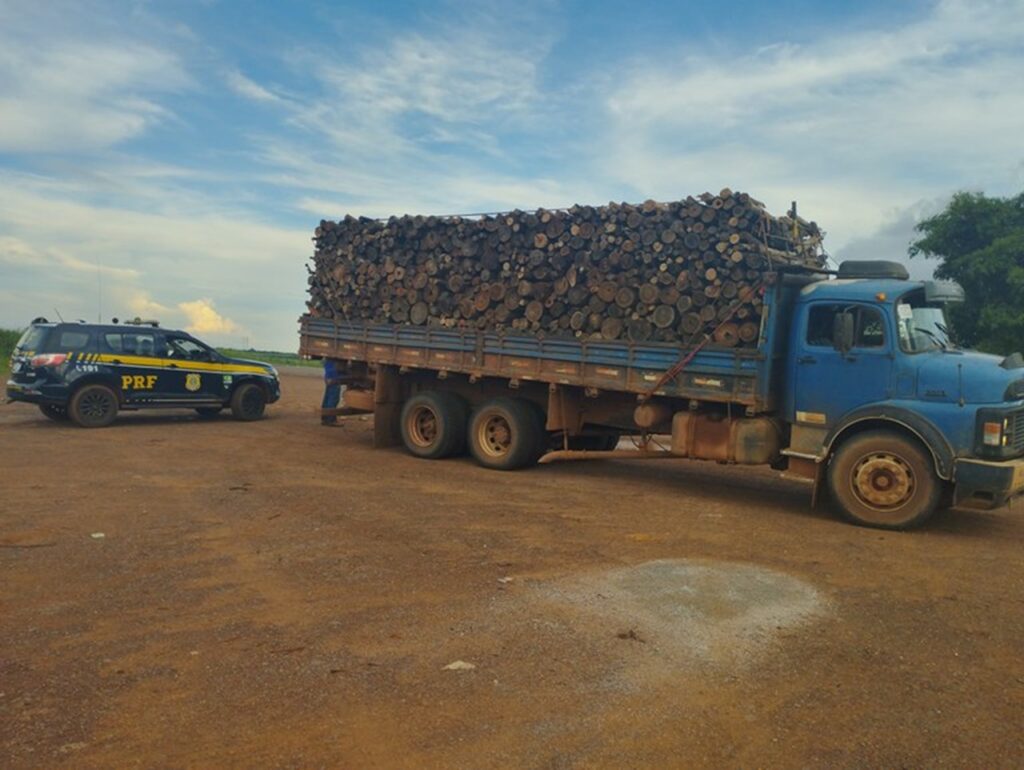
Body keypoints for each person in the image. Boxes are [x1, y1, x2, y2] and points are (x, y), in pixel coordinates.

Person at [321, 359, 343, 426]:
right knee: (333, 399)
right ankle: (331, 420)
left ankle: (325, 418)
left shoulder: (328, 357)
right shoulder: (334, 357)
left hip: (329, 376)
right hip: (333, 377)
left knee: (327, 397)